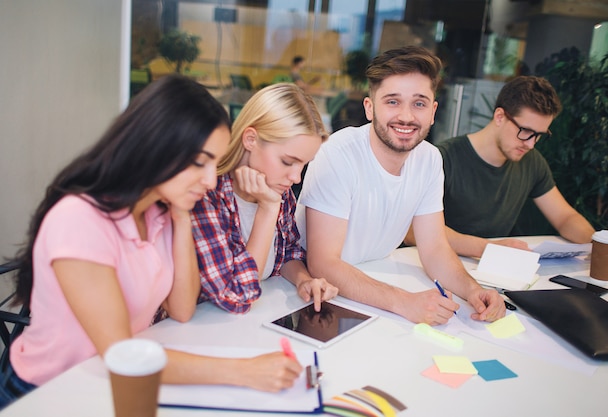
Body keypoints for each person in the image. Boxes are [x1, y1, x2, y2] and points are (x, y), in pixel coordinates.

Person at [2, 75, 303, 408]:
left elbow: (182, 309)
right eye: (199, 162)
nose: (208, 180)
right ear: (156, 146)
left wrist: (181, 215)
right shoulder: (79, 220)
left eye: (214, 165)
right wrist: (244, 371)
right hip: (46, 395)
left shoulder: (159, 213)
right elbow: (121, 353)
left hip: (114, 388)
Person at [295, 45, 505, 325]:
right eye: (392, 101)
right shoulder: (338, 153)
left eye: (418, 103)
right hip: (317, 293)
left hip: (374, 284)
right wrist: (404, 301)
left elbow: (434, 249)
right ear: (369, 108)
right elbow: (322, 264)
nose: (406, 116)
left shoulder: (430, 159)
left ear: (432, 111)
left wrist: (473, 290)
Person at [404, 76, 599, 258]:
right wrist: (488, 249)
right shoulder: (443, 158)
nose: (531, 144)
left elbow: (565, 217)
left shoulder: (532, 161)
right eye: (526, 131)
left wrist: (597, 243)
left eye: (539, 135)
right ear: (499, 116)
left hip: (495, 270)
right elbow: (412, 230)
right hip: (434, 266)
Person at [191, 83, 338, 314]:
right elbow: (238, 295)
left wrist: (303, 280)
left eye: (303, 165)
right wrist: (268, 210)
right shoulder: (206, 196)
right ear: (250, 139)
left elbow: (287, 252)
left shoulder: (278, 187)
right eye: (288, 162)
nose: (296, 177)